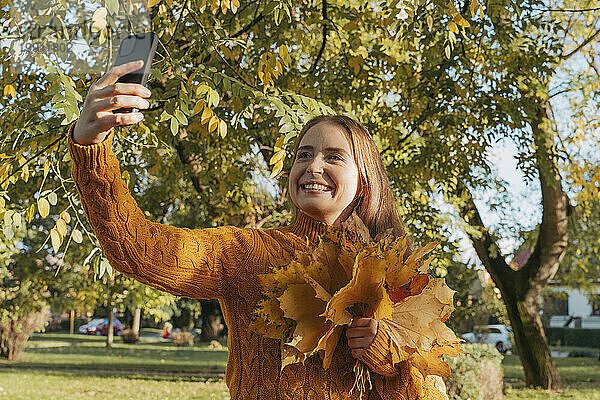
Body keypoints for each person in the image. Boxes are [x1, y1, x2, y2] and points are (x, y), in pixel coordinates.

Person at [69, 60, 448, 399]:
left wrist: (387, 354)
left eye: (333, 157)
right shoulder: (247, 254)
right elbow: (139, 249)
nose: (313, 166)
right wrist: (91, 148)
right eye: (304, 154)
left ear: (364, 180)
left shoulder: (403, 280)